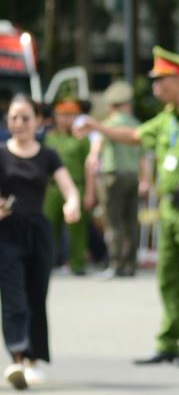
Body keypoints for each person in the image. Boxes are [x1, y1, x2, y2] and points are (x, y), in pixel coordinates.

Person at [91, 47, 179, 366]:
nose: (154, 87)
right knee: (168, 276)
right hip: (170, 206)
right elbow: (135, 135)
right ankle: (168, 343)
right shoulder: (165, 119)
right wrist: (99, 129)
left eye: (159, 80)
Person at [0, 96, 82, 389]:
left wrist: (72, 204)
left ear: (37, 121)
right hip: (6, 232)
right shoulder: (1, 154)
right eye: (13, 118)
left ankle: (34, 360)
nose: (18, 124)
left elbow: (68, 187)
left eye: (24, 117)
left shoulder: (48, 156)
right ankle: (17, 358)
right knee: (13, 296)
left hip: (38, 231)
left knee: (36, 295)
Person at [88, 82, 144, 278]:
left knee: (113, 222)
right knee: (130, 221)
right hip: (133, 176)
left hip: (113, 177)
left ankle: (115, 263)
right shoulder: (137, 125)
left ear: (111, 106)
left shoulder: (108, 125)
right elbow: (143, 157)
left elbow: (95, 151)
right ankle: (131, 264)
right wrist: (145, 180)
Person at [44, 98, 94, 275]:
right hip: (52, 188)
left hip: (76, 185)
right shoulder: (50, 138)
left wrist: (90, 192)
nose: (66, 119)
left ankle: (77, 263)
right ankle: (47, 262)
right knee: (49, 226)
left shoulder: (82, 139)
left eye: (71, 115)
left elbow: (90, 167)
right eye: (62, 115)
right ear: (56, 116)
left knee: (77, 228)